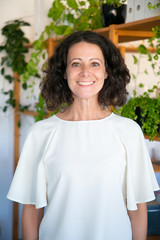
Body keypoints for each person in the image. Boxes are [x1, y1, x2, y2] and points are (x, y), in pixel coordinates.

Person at [7, 30, 159, 240]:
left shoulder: (129, 132)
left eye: (95, 63)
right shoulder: (40, 134)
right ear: (64, 71)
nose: (85, 72)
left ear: (107, 72)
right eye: (76, 63)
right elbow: (32, 212)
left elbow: (138, 209)